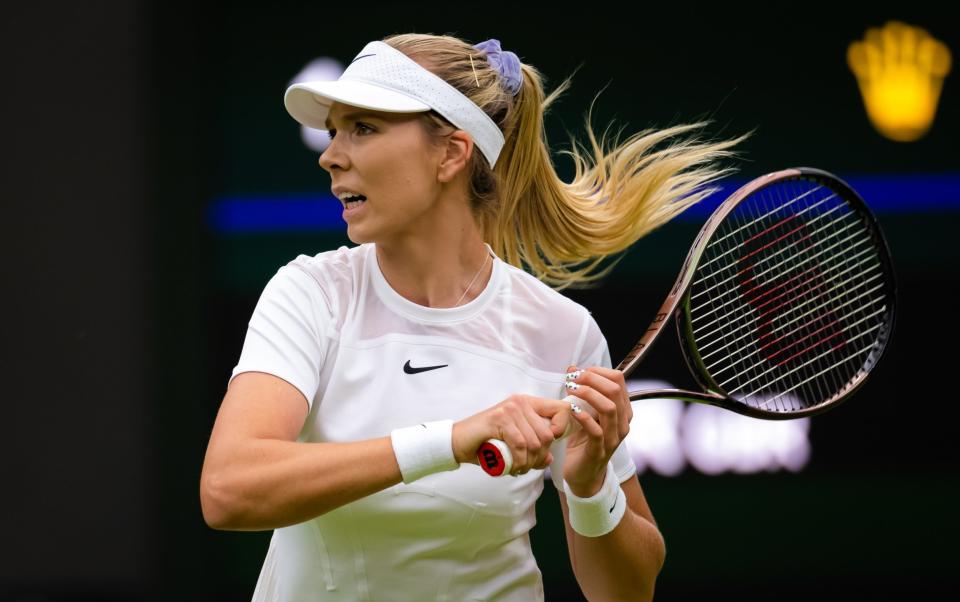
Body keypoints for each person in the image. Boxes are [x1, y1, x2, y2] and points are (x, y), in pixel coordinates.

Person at [200, 33, 746, 601]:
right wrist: (453, 440)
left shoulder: (564, 332)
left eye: (363, 128)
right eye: (335, 130)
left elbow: (628, 592)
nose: (330, 153)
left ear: (451, 153)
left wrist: (589, 490)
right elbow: (229, 489)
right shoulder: (311, 293)